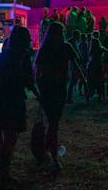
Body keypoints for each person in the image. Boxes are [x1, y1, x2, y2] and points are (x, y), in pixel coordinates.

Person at [0, 26, 39, 182]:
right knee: (10, 137)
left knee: (1, 134)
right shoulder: (23, 58)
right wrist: (38, 93)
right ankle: (3, 170)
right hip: (14, 101)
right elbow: (29, 81)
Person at [34, 21, 87, 173]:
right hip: (57, 89)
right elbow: (76, 66)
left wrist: (40, 90)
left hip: (48, 89)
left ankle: (47, 153)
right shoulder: (65, 47)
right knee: (54, 123)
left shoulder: (46, 49)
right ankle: (52, 156)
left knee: (53, 122)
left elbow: (38, 72)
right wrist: (85, 82)